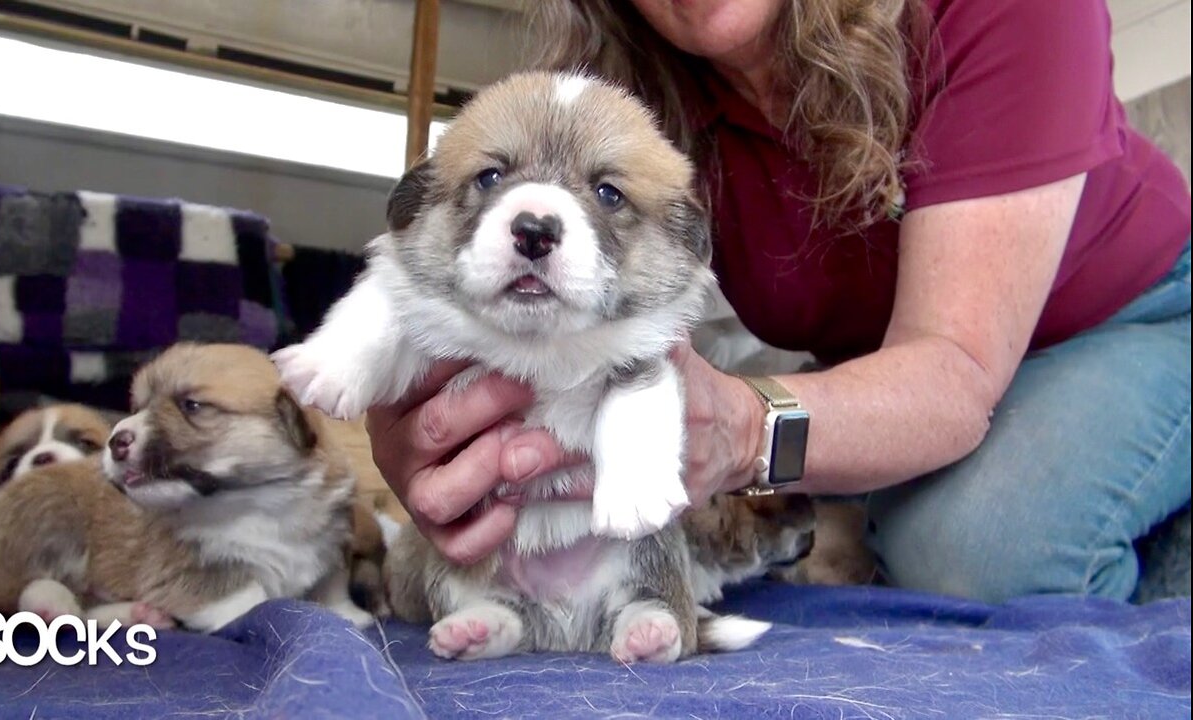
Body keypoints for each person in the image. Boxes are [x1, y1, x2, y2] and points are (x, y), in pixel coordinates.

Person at [363, 0, 1191, 603]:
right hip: (887, 367)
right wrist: (434, 410)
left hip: (1136, 316)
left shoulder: (1007, 11)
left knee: (977, 551)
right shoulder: (637, 110)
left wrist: (739, 427)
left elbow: (954, 368)